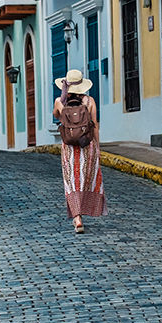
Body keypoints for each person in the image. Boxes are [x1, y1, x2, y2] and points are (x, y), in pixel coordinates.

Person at [53, 68, 106, 234]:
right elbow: (95, 125)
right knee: (85, 179)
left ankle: (77, 218)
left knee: (71, 181)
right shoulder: (90, 102)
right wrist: (97, 147)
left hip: (69, 148)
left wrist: (62, 98)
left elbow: (56, 116)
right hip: (86, 145)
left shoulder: (59, 102)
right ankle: (83, 210)